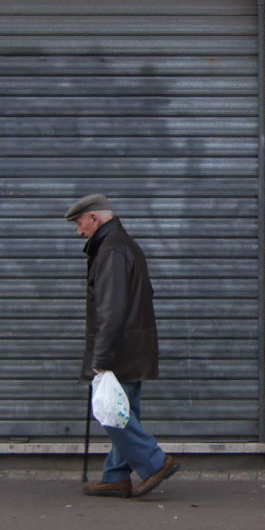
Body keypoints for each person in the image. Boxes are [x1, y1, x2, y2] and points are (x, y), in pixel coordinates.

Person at [66, 193, 179, 498]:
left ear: (95, 218)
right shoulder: (119, 245)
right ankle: (116, 476)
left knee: (112, 413)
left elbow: (111, 308)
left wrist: (101, 356)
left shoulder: (112, 250)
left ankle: (155, 462)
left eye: (80, 223)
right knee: (124, 410)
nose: (79, 231)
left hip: (119, 350)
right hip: (132, 345)